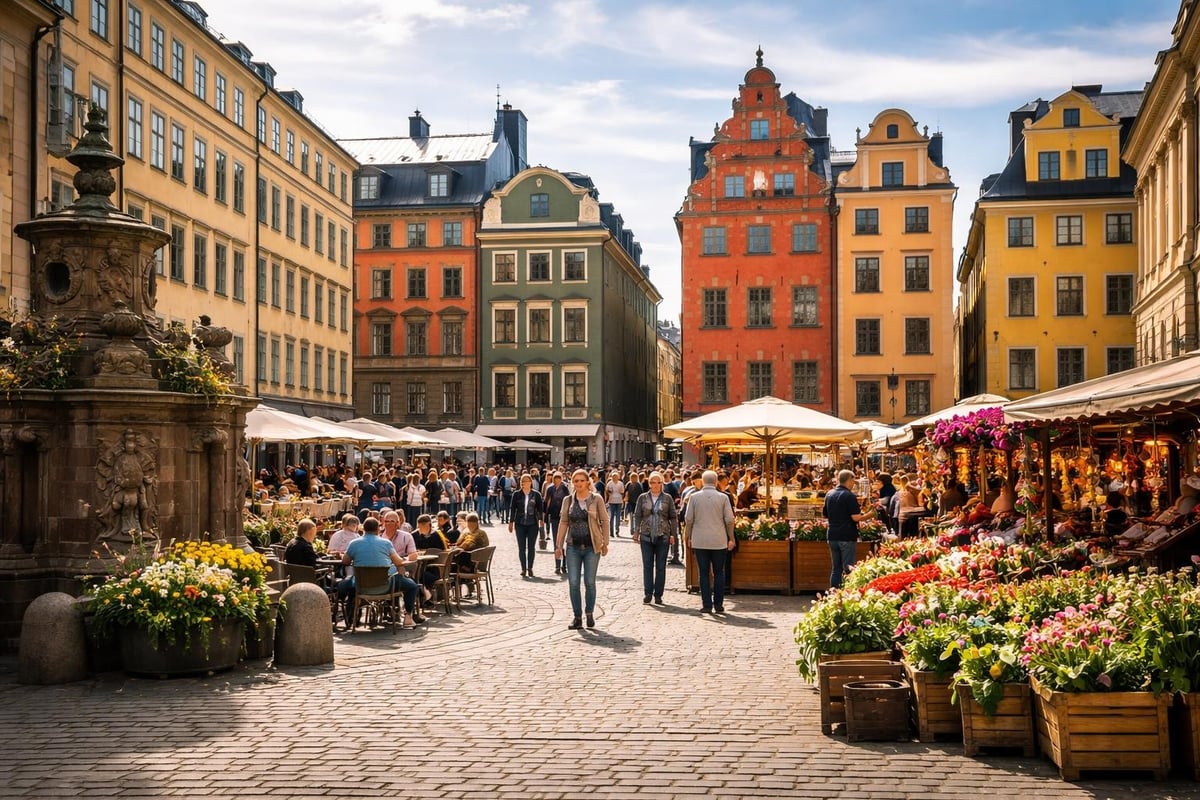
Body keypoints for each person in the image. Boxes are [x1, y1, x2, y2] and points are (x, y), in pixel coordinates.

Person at [341, 517, 422, 629]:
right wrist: (406, 559)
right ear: (378, 529)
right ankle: (408, 616)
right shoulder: (386, 543)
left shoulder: (353, 543)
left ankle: (351, 616)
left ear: (363, 528)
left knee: (349, 581)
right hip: (385, 586)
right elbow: (398, 562)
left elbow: (345, 561)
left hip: (361, 587)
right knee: (412, 586)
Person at [555, 468, 610, 629]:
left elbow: (605, 521)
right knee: (573, 582)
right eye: (576, 481)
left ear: (587, 482)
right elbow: (563, 522)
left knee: (589, 582)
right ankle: (577, 617)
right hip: (573, 546)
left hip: (591, 546)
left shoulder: (596, 499)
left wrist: (605, 542)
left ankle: (589, 613)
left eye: (581, 480)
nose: (578, 483)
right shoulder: (568, 500)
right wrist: (558, 545)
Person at [684, 470, 735, 615]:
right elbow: (729, 520)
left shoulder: (694, 497)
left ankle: (706, 604)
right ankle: (718, 604)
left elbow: (689, 519)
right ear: (716, 481)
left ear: (703, 481)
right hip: (719, 540)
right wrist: (731, 537)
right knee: (719, 572)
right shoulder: (723, 497)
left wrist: (688, 536)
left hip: (700, 540)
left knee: (703, 573)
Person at [632, 471, 679, 605]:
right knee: (647, 565)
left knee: (660, 566)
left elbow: (673, 517)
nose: (656, 485)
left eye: (658, 482)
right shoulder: (643, 497)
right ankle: (648, 593)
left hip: (663, 535)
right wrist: (636, 531)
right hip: (646, 535)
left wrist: (673, 534)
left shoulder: (667, 498)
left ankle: (658, 594)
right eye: (653, 482)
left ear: (662, 483)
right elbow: (637, 515)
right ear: (649, 483)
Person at [823, 469, 874, 589]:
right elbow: (856, 518)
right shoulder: (849, 496)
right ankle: (847, 593)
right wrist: (871, 514)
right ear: (849, 480)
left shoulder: (829, 494)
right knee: (848, 568)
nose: (853, 484)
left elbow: (825, 514)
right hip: (846, 535)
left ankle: (833, 593)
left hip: (832, 535)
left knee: (836, 568)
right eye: (853, 481)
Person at [509, 472, 544, 578]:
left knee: (531, 547)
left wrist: (541, 520)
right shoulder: (516, 494)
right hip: (520, 523)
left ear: (531, 482)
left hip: (532, 523)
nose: (526, 483)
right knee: (521, 547)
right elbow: (513, 509)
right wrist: (511, 522)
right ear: (521, 483)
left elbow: (540, 508)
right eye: (524, 481)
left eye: (528, 481)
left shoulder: (536, 494)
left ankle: (530, 568)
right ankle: (523, 568)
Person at [543, 471, 571, 574]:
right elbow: (546, 502)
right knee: (557, 541)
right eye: (556, 478)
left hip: (564, 517)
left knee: (564, 541)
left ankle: (564, 565)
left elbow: (569, 501)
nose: (557, 480)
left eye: (559, 478)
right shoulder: (550, 489)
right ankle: (557, 565)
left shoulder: (565, 488)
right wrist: (545, 516)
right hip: (554, 517)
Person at [605, 471, 625, 537]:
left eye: (616, 477)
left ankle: (617, 530)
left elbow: (623, 491)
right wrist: (609, 492)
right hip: (611, 501)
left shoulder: (620, 483)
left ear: (618, 477)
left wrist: (621, 492)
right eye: (614, 477)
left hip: (619, 500)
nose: (615, 478)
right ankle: (611, 532)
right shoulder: (609, 483)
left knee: (618, 516)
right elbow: (606, 491)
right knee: (611, 516)